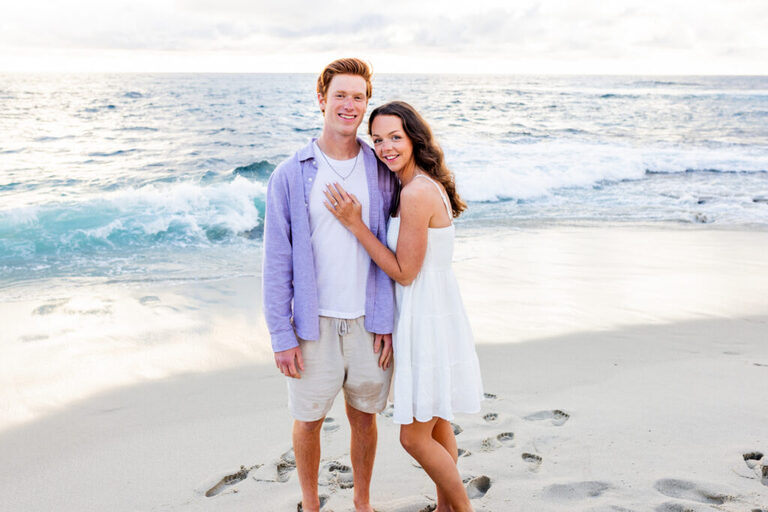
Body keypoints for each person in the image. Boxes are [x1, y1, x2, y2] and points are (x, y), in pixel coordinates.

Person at [325, 101, 484, 512]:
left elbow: (405, 272)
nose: (385, 147)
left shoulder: (415, 193)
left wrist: (355, 224)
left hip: (426, 320)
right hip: (433, 314)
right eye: (377, 139)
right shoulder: (421, 184)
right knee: (438, 423)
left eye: (395, 137)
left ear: (414, 137)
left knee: (413, 437)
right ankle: (447, 508)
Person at [262, 58, 397, 512]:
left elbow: (400, 244)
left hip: (367, 322)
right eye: (340, 94)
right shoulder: (289, 173)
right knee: (307, 421)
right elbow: (276, 262)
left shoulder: (381, 169)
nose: (349, 105)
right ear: (321, 99)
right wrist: (282, 336)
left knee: (364, 419)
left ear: (366, 104)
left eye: (358, 97)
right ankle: (310, 504)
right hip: (312, 326)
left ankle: (362, 503)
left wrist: (389, 320)